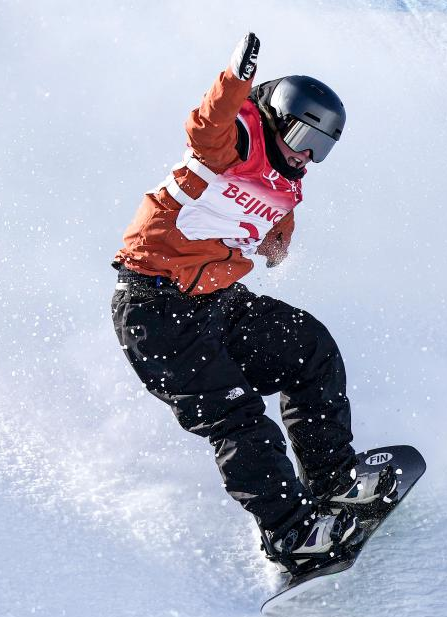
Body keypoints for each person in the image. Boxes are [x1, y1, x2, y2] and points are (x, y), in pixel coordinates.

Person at [110, 33, 395, 575]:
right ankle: (291, 534)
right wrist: (234, 81)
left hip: (218, 303)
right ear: (279, 119)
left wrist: (277, 242)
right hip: (156, 310)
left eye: (322, 149)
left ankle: (332, 478)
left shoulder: (286, 180)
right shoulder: (236, 139)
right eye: (305, 137)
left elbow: (272, 221)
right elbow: (206, 127)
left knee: (310, 349)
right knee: (239, 419)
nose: (308, 156)